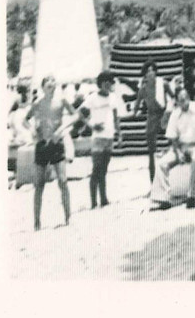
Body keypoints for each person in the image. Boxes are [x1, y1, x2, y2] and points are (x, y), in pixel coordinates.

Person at [25, 75, 75, 231]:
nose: (52, 85)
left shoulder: (62, 101)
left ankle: (68, 217)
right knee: (39, 184)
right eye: (48, 83)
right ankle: (37, 222)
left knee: (63, 181)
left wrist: (62, 129)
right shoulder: (37, 103)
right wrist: (32, 130)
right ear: (43, 87)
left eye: (54, 83)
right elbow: (25, 120)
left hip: (56, 144)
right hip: (42, 144)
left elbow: (75, 115)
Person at [149, 87, 195, 210]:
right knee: (161, 164)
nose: (184, 101)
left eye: (186, 98)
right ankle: (163, 199)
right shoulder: (175, 114)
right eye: (181, 100)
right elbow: (172, 136)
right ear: (177, 101)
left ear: (189, 97)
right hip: (180, 146)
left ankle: (191, 196)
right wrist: (178, 152)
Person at [84, 70, 122, 210]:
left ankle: (104, 199)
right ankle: (93, 202)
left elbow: (116, 116)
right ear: (100, 83)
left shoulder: (113, 98)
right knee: (96, 169)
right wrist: (92, 125)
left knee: (104, 170)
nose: (107, 85)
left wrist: (119, 134)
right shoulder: (92, 98)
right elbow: (81, 114)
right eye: (105, 82)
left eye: (110, 82)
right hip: (98, 138)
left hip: (109, 137)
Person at [134, 64, 168, 183]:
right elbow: (137, 106)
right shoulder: (143, 89)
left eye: (153, 70)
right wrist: (135, 113)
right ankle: (153, 183)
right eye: (148, 71)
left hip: (164, 117)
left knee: (172, 146)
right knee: (151, 153)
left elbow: (174, 98)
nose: (151, 73)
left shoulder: (163, 84)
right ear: (145, 75)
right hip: (152, 118)